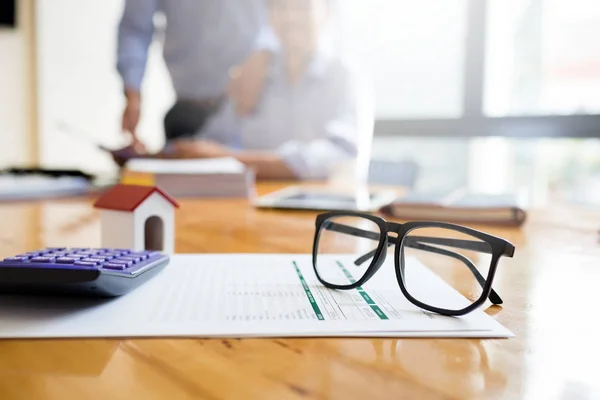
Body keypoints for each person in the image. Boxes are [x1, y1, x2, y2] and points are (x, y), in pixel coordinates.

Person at [165, 0, 374, 181]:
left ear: (326, 11)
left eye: (301, 6)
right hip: (256, 208)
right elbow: (215, 140)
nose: (290, 17)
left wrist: (231, 159)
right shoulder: (255, 75)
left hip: (330, 211)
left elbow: (343, 156)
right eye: (280, 6)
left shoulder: (346, 77)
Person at [116, 0, 274, 149]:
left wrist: (263, 54)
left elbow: (285, 10)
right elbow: (134, 28)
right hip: (189, 109)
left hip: (252, 103)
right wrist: (133, 92)